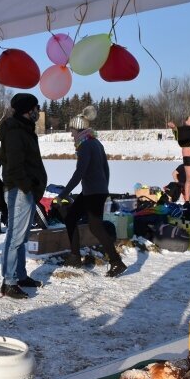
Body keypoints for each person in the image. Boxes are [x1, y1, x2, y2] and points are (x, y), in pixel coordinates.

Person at [57, 106, 127, 277]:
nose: (71, 134)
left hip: (93, 193)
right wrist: (105, 188)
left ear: (78, 129)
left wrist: (63, 194)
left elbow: (79, 173)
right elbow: (106, 168)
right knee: (72, 217)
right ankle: (75, 257)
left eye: (72, 130)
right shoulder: (95, 142)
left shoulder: (85, 146)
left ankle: (116, 262)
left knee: (96, 227)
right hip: (95, 191)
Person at [0, 93, 47, 299]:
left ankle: (20, 275)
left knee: (20, 237)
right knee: (15, 237)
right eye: (35, 108)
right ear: (27, 109)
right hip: (19, 190)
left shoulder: (23, 129)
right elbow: (15, 167)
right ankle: (9, 282)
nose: (38, 112)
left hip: (25, 191)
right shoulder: (15, 132)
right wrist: (28, 188)